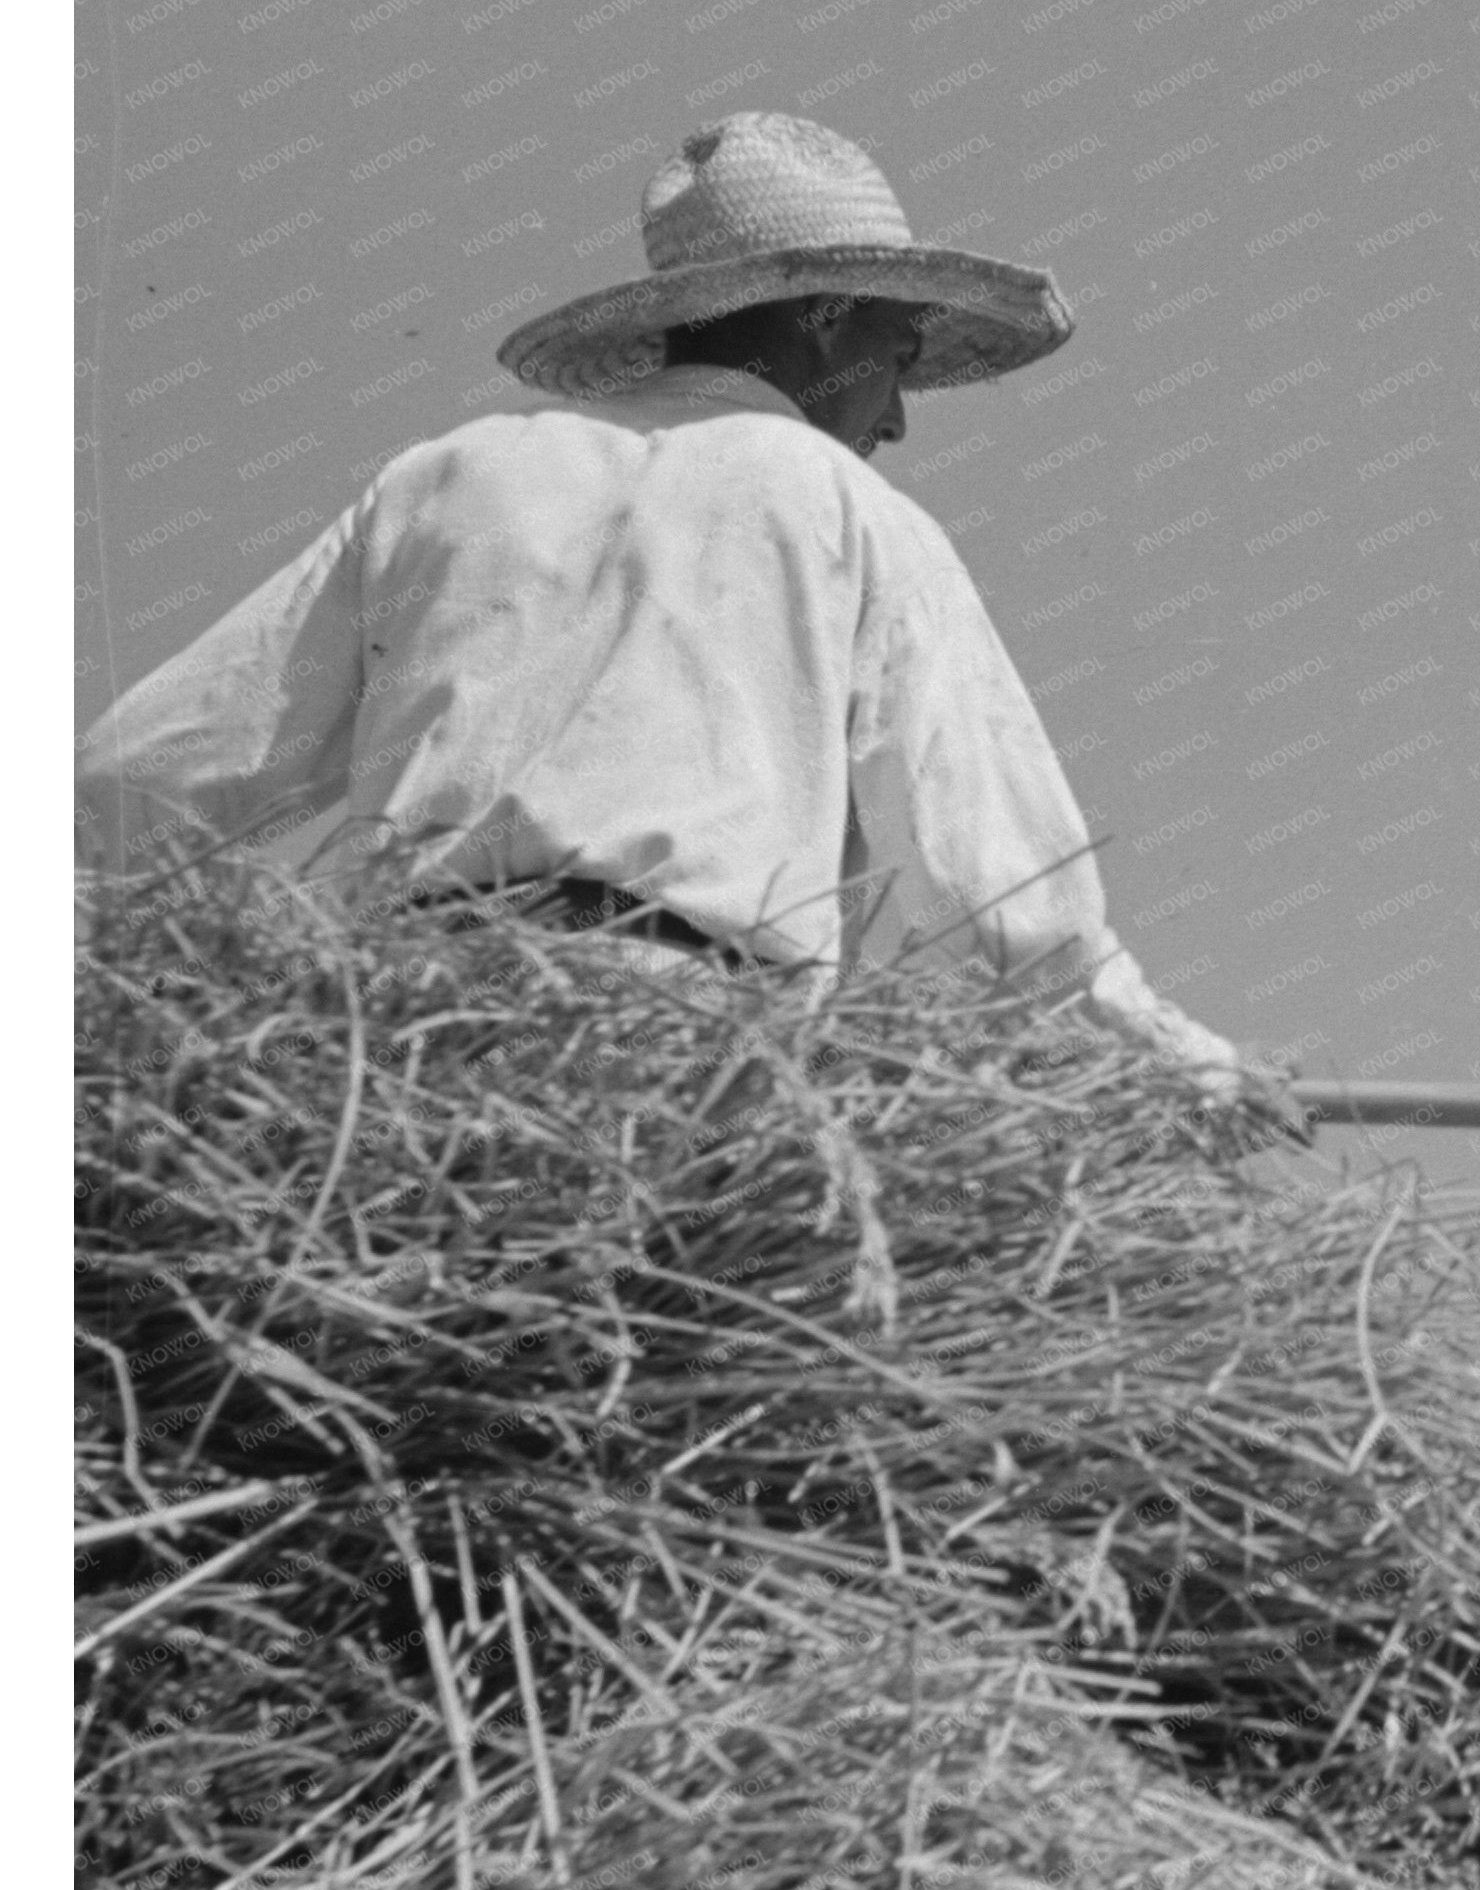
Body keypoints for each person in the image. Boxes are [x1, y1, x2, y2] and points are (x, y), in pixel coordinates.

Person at [75, 109, 1301, 1144]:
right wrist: (1189, 1069)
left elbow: (147, 777)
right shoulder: (844, 510)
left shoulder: (446, 478)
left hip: (398, 1072)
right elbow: (1005, 897)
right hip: (677, 1070)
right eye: (895, 346)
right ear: (821, 318)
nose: (898, 416)